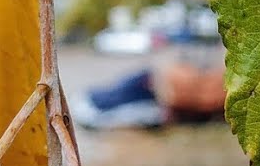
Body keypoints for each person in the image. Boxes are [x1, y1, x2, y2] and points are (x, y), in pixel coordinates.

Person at [71, 41, 226, 129]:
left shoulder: (217, 96)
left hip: (161, 94)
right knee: (120, 94)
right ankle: (90, 103)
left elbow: (201, 103)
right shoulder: (219, 84)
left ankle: (91, 106)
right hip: (159, 85)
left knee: (121, 98)